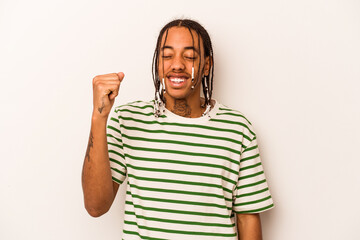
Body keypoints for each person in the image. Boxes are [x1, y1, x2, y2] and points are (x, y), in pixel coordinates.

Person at [82, 19, 274, 240]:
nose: (177, 64)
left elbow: (248, 219)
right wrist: (99, 117)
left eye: (190, 56)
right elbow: (96, 207)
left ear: (206, 65)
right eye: (167, 55)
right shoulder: (128, 120)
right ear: (158, 64)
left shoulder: (238, 130)